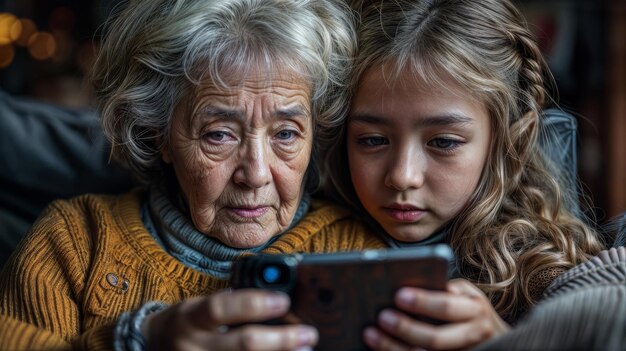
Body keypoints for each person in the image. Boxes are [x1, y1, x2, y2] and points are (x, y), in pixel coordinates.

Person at [0, 0, 387, 350]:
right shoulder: (73, 244)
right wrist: (137, 340)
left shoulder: (358, 249)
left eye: (285, 134)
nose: (255, 174)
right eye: (218, 134)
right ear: (158, 135)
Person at [322, 0, 606, 349]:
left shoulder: (545, 274)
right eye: (373, 140)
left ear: (503, 139)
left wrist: (510, 342)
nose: (402, 177)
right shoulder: (302, 241)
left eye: (443, 142)